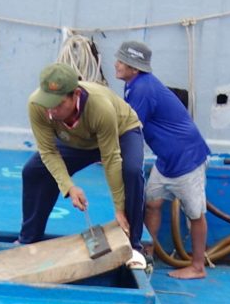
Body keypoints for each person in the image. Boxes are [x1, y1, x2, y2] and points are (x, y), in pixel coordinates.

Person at [111, 41, 213, 279]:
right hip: (166, 160)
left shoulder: (142, 89)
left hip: (187, 159)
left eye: (121, 61)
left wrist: (108, 154)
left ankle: (198, 266)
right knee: (152, 203)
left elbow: (130, 127)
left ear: (134, 68)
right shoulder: (133, 85)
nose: (116, 64)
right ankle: (147, 253)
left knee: (195, 214)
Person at [20, 61, 145, 255]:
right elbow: (48, 151)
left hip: (120, 132)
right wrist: (69, 187)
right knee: (34, 172)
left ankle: (133, 246)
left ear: (76, 95)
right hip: (77, 140)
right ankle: (29, 239)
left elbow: (111, 159)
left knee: (131, 171)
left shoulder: (100, 107)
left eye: (58, 104)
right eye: (48, 103)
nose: (51, 111)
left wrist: (119, 209)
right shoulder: (37, 105)